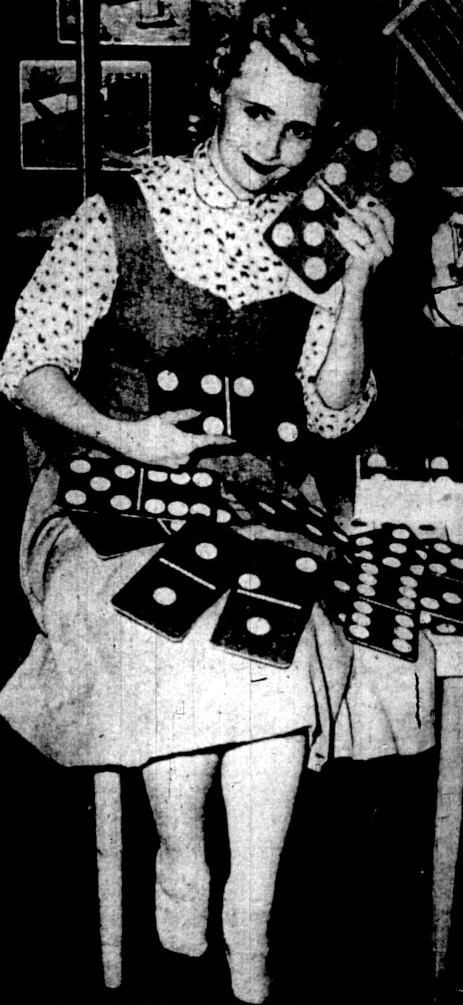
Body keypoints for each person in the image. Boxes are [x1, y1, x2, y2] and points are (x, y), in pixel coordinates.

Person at [0, 3, 435, 1002]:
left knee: (271, 651)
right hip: (107, 497)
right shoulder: (120, 211)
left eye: (296, 130)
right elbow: (25, 366)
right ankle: (182, 854)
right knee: (167, 634)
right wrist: (123, 434)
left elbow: (330, 421)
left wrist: (357, 285)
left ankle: (249, 924)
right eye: (253, 116)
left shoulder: (315, 234)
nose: (272, 150)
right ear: (215, 94)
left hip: (254, 504)